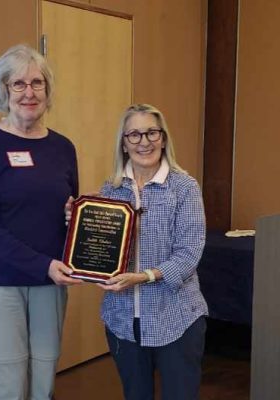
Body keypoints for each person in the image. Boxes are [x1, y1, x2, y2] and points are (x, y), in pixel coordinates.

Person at [0, 44, 81, 400]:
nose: (29, 92)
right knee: (8, 385)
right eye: (18, 84)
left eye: (37, 83)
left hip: (49, 283)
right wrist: (44, 265)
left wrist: (72, 218)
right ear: (3, 90)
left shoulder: (63, 147)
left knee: (43, 380)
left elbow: (70, 208)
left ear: (47, 90)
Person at [81, 103, 207, 400]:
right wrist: (77, 222)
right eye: (134, 135)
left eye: (151, 132)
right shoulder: (109, 190)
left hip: (176, 316)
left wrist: (144, 276)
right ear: (123, 144)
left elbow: (190, 252)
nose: (144, 142)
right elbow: (99, 248)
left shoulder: (185, 186)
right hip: (122, 319)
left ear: (163, 138)